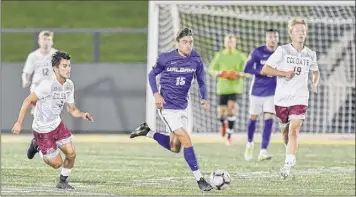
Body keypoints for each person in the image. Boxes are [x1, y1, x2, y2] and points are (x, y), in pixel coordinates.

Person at [130, 28, 213, 191]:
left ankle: (147, 132)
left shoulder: (196, 59)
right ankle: (200, 180)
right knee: (186, 138)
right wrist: (156, 95)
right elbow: (151, 75)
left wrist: (204, 98)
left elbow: (201, 81)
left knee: (175, 147)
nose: (188, 45)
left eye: (190, 42)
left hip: (182, 107)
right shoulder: (166, 58)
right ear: (177, 43)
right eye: (185, 42)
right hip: (167, 107)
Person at [11, 50, 94, 189]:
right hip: (42, 130)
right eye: (64, 66)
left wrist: (82, 114)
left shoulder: (69, 85)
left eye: (69, 66)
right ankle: (36, 145)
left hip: (57, 125)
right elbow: (27, 101)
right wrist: (19, 123)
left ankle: (63, 182)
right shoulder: (47, 84)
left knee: (71, 154)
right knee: (57, 164)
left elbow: (71, 109)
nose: (68, 69)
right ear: (55, 68)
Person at [260, 19, 320, 179]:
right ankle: (290, 151)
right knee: (286, 133)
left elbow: (316, 72)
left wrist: (314, 83)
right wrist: (284, 73)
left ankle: (287, 166)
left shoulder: (310, 54)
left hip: (300, 99)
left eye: (304, 30)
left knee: (294, 131)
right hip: (281, 100)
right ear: (291, 33)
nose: (301, 33)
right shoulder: (282, 51)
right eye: (298, 30)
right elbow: (265, 69)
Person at [243, 29, 279, 161]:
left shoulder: (280, 53)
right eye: (270, 37)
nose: (273, 39)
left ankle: (263, 150)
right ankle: (250, 144)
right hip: (257, 91)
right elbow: (246, 69)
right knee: (253, 118)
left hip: (272, 92)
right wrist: (261, 71)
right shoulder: (257, 52)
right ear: (266, 38)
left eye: (275, 37)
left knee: (269, 119)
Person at [208, 34, 248, 145]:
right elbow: (211, 69)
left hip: (235, 87)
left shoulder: (241, 55)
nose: (230, 44)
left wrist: (239, 74)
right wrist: (219, 73)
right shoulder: (219, 55)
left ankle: (229, 135)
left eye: (232, 42)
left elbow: (248, 71)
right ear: (225, 43)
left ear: (235, 43)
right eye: (228, 42)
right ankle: (223, 125)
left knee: (232, 108)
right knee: (221, 112)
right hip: (222, 88)